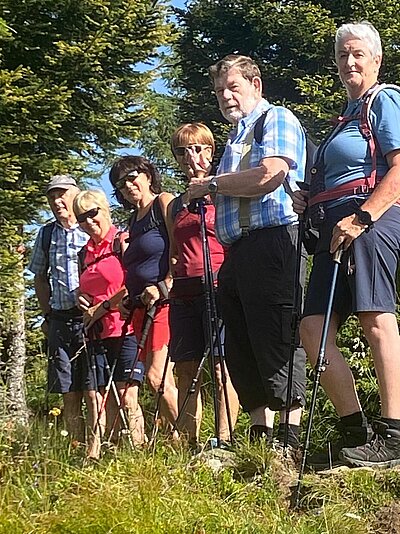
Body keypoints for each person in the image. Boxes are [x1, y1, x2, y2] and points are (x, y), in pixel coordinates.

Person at [293, 21, 400, 468]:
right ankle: (355, 431)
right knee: (313, 330)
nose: (349, 62)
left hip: (370, 219)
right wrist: (310, 196)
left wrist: (363, 216)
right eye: (342, 56)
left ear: (376, 59)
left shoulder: (385, 100)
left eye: (358, 54)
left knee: (375, 317)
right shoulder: (345, 117)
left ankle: (394, 436)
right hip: (334, 228)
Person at [188, 55, 307, 450]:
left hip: (275, 240)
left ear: (256, 85)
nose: (225, 96)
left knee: (276, 334)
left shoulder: (276, 119)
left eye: (233, 87)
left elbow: (269, 175)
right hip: (237, 250)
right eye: (219, 90)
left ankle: (287, 436)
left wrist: (211, 186)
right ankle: (260, 434)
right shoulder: (234, 139)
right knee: (241, 342)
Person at [167, 122, 240, 447]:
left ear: (211, 151)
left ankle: (224, 439)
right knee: (185, 367)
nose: (190, 157)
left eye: (197, 148)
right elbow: (173, 250)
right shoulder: (175, 204)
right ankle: (188, 440)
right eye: (182, 151)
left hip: (219, 284)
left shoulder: (223, 189)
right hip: (184, 289)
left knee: (222, 364)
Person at [73, 189, 146, 459]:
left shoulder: (121, 241)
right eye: (82, 218)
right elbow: (87, 288)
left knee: (128, 396)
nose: (89, 221)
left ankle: (139, 452)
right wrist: (82, 299)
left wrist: (100, 307)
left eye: (93, 213)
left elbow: (133, 282)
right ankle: (115, 456)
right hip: (97, 333)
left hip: (125, 327)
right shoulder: (85, 253)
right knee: (105, 398)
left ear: (105, 209)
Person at [109, 156, 179, 435]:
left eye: (132, 177)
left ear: (148, 175)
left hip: (163, 304)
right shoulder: (133, 221)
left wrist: (165, 285)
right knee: (162, 379)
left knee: (156, 377)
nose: (128, 185)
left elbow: (180, 247)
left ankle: (191, 440)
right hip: (141, 307)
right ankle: (178, 439)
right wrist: (128, 298)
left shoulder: (163, 203)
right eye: (121, 183)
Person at [28, 175, 89, 441]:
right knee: (68, 388)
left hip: (91, 318)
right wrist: (47, 315)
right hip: (60, 320)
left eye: (62, 194)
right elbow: (39, 276)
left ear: (76, 194)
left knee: (94, 386)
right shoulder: (47, 234)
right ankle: (75, 442)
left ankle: (99, 444)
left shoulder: (90, 226)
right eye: (52, 196)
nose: (57, 201)